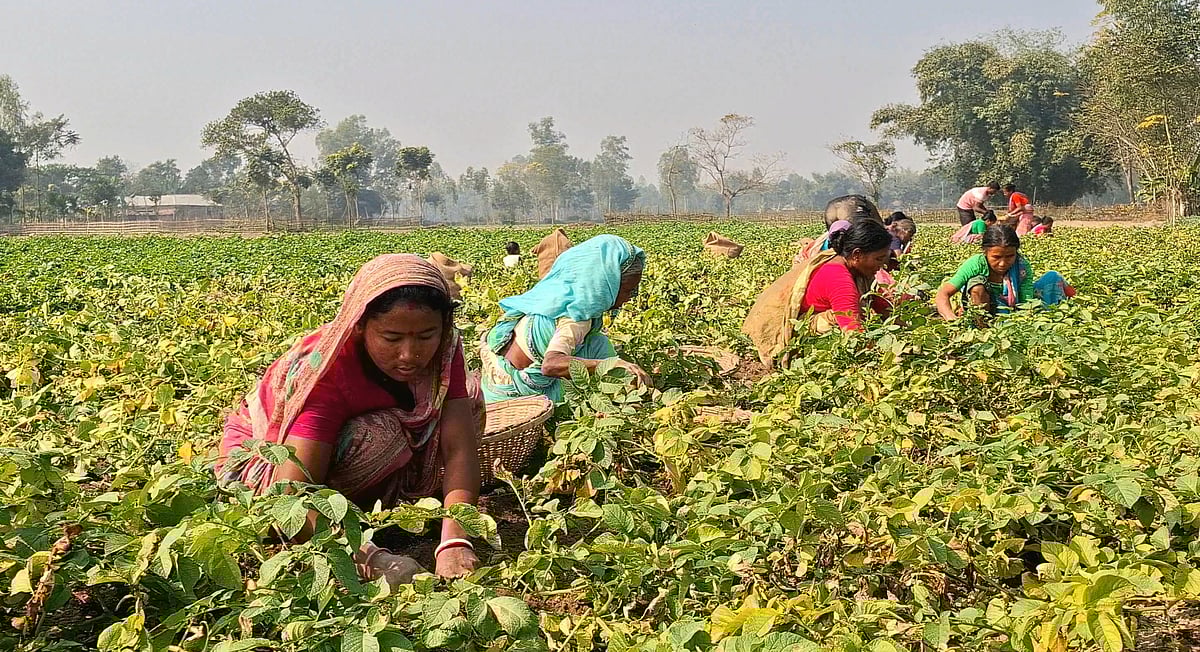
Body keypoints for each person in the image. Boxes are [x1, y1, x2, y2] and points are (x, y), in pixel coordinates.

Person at [217, 254, 483, 581]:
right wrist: (371, 561)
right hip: (260, 472)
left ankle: (366, 511)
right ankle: (335, 526)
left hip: (342, 463)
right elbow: (290, 495)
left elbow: (459, 449)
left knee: (468, 401)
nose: (409, 354)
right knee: (382, 435)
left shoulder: (444, 347)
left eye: (426, 336)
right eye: (392, 338)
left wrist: (456, 540)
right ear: (359, 326)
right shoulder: (327, 372)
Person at [480, 234, 651, 404]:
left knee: (595, 344)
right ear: (606, 284)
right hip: (516, 397)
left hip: (492, 384)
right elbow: (551, 365)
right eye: (629, 290)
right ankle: (628, 394)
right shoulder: (577, 317)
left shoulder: (557, 295)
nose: (631, 298)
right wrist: (612, 364)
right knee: (600, 349)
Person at [744, 220, 894, 367]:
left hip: (804, 323)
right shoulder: (838, 278)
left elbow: (882, 306)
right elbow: (853, 332)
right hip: (795, 334)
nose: (882, 265)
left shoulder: (848, 264)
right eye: (878, 259)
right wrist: (883, 357)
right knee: (838, 319)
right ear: (857, 255)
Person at [935, 225, 1068, 321]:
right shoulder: (976, 264)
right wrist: (950, 318)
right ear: (985, 251)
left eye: (1010, 256)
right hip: (984, 307)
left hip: (1011, 309)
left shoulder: (1021, 266)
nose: (1003, 263)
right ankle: (981, 325)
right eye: (996, 257)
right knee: (977, 287)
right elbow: (943, 293)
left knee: (1052, 277)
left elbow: (1026, 301)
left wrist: (1025, 319)